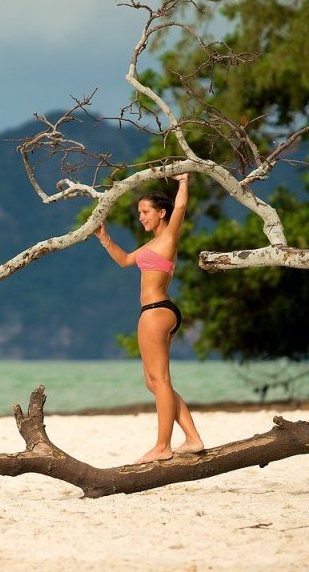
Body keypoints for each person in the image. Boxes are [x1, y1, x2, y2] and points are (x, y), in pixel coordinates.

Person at [94, 174, 205, 464]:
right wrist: (104, 237)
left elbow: (180, 209)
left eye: (145, 212)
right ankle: (192, 438)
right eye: (139, 213)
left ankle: (162, 446)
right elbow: (124, 260)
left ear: (161, 213)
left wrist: (183, 181)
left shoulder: (168, 236)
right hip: (160, 310)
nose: (141, 217)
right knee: (154, 383)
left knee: (161, 380)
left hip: (157, 311)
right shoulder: (149, 247)